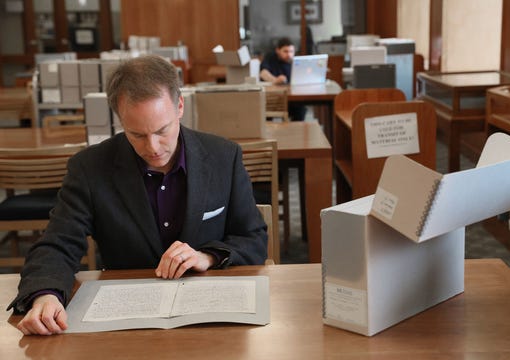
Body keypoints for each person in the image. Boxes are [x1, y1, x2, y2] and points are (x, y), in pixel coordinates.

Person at [8, 55, 268, 335]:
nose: (153, 147)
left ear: (179, 106)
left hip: (210, 318)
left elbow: (253, 238)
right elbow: (57, 244)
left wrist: (209, 256)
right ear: (120, 120)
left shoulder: (223, 156)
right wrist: (46, 294)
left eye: (161, 130)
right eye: (137, 135)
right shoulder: (90, 168)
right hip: (126, 322)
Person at [260, 37, 307, 121]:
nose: (289, 54)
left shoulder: (296, 62)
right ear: (278, 50)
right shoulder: (270, 57)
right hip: (273, 97)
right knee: (265, 109)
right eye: (285, 51)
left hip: (291, 98)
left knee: (301, 108)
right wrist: (275, 80)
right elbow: (263, 73)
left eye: (291, 51)